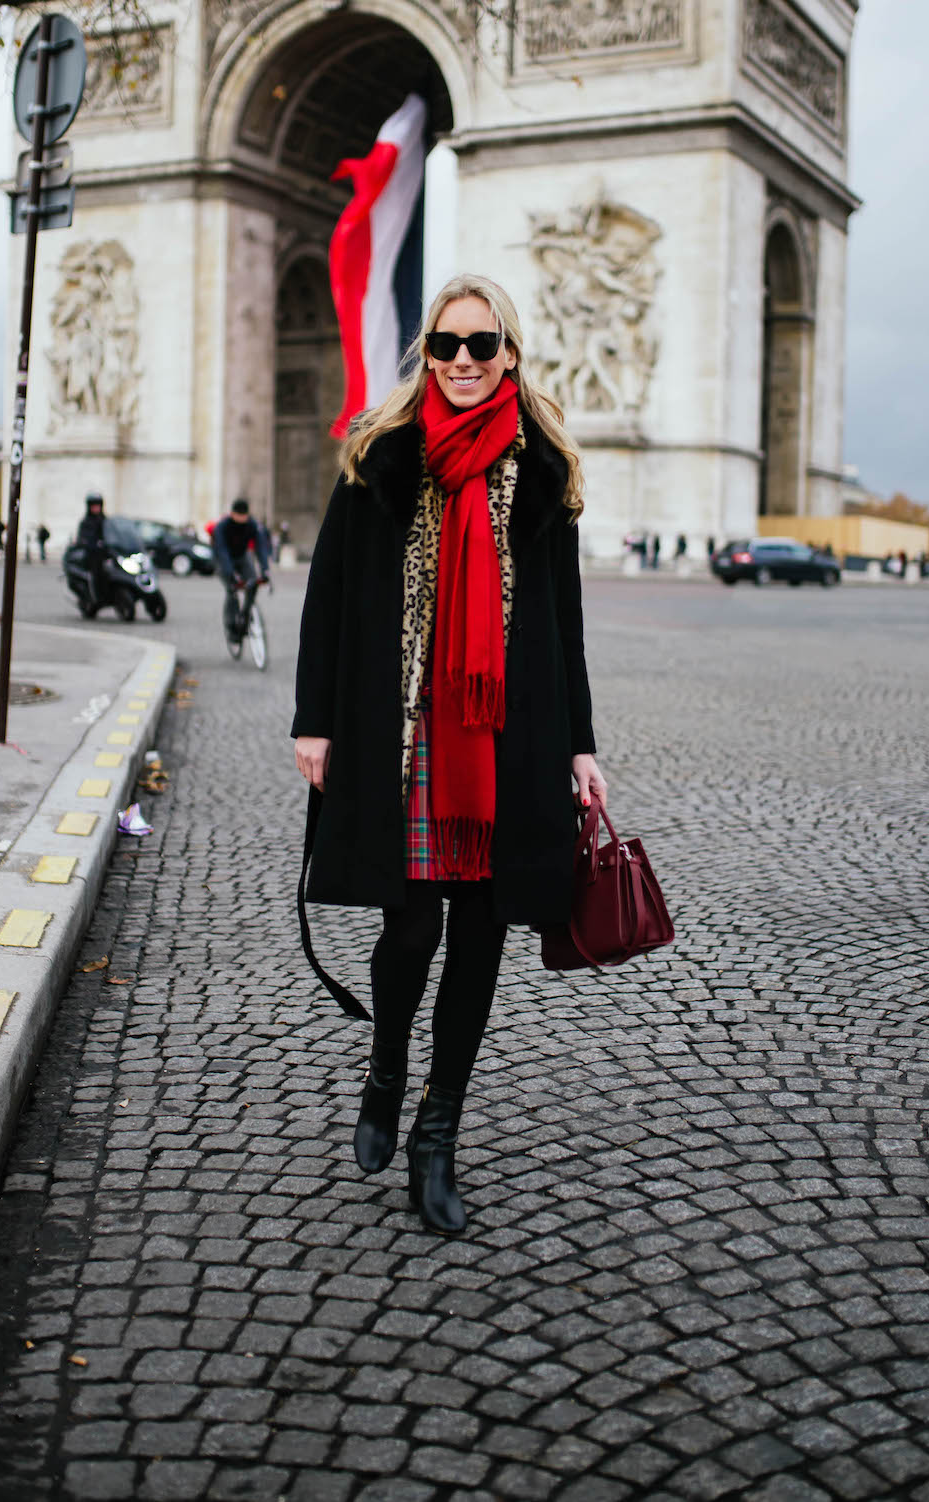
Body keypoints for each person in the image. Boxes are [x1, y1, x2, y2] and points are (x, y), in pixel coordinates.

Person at [293, 273, 605, 1236]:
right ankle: (388, 1067)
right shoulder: (380, 457)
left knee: (479, 936)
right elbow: (328, 595)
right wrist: (315, 720)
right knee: (410, 930)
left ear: (511, 352)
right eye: (446, 346)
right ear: (425, 354)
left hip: (506, 737)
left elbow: (565, 623)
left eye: (481, 345)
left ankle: (439, 1133)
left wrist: (584, 746)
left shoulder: (544, 471)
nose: (463, 362)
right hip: (405, 728)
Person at [212, 499, 272, 637]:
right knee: (231, 589)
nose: (241, 519)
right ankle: (231, 625)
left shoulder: (252, 525)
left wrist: (265, 570)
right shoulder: (222, 527)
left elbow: (261, 548)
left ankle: (245, 614)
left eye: (244, 516)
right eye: (238, 516)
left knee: (253, 583)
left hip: (242, 556)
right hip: (224, 559)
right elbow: (221, 551)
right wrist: (230, 573)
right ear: (232, 514)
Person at [76, 493, 109, 607]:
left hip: (105, 553)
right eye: (94, 506)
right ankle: (95, 596)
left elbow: (113, 533)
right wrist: (92, 544)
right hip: (92, 554)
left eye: (98, 505)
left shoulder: (105, 520)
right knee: (96, 571)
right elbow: (83, 538)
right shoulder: (86, 522)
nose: (96, 508)